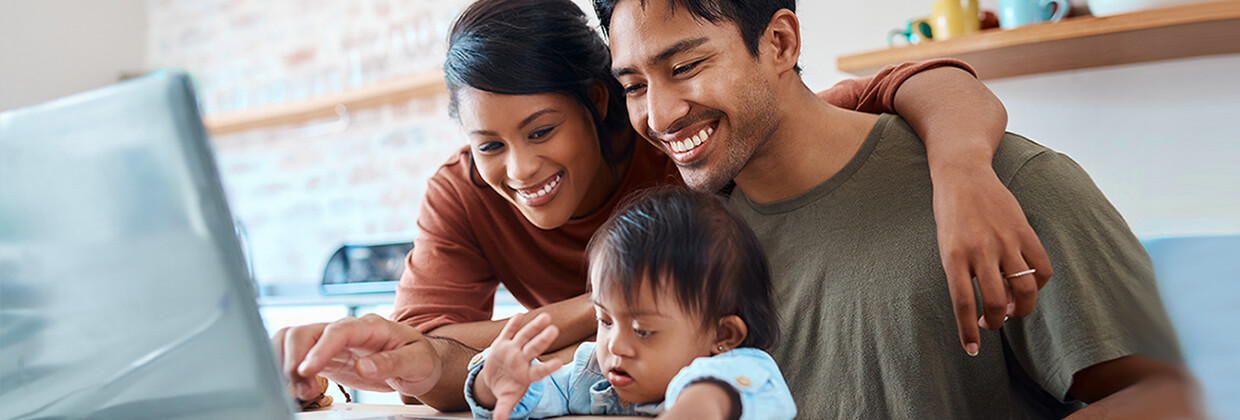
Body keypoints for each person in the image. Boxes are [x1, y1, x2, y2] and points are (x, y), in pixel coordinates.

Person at [273, 0, 1052, 411]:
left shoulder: (691, 144)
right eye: (488, 143)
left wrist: (962, 172)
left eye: (542, 129)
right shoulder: (466, 188)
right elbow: (439, 356)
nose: (520, 167)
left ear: (596, 103)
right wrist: (600, 318)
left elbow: (906, 85)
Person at [596, 0, 1200, 418]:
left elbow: (1169, 401)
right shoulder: (697, 243)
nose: (660, 113)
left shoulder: (1006, 185)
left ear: (780, 42)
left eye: (685, 67)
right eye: (634, 86)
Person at [467, 188, 794, 419]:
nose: (615, 346)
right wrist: (491, 384)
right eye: (605, 320)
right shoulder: (593, 372)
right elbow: (537, 395)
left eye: (643, 330)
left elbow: (712, 397)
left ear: (722, 336)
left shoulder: (739, 370)